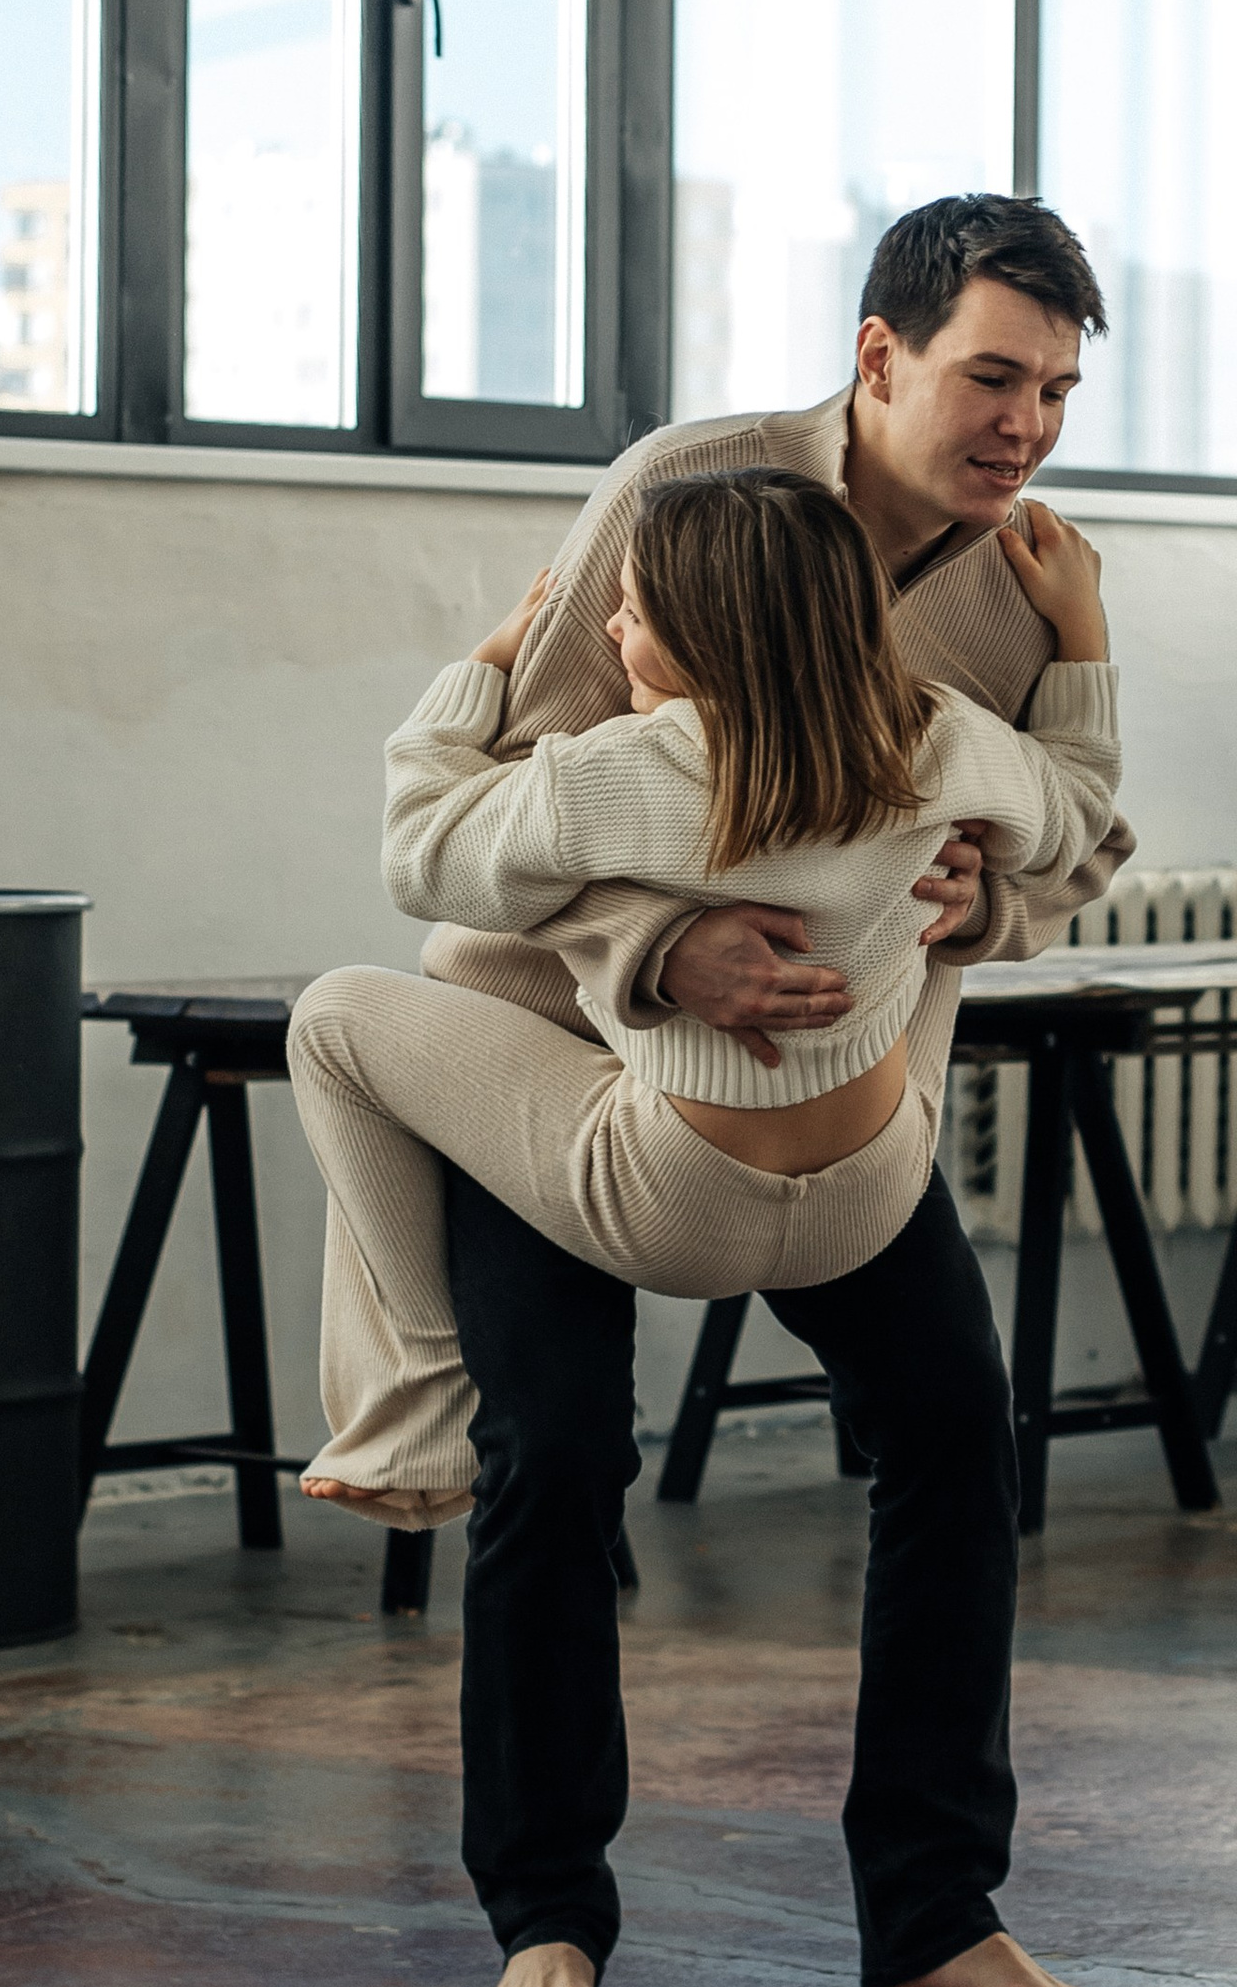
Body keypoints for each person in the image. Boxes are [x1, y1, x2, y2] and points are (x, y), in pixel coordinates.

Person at [415, 195, 1131, 1987]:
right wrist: (666, 951)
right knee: (558, 1448)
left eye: (1057, 389)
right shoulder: (689, 494)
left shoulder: (1027, 574)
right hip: (559, 1043)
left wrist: (993, 915)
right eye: (991, 377)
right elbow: (511, 803)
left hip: (833, 1097)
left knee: (957, 1432)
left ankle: (934, 1915)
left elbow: (1066, 845)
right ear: (879, 355)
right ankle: (547, 1921)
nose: (1024, 428)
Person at [288, 465, 1120, 1532]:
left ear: (704, 636)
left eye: (634, 610)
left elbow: (419, 856)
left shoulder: (613, 771)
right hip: (874, 1200)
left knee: (333, 1016)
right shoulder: (946, 741)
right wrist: (1082, 633)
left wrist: (480, 670)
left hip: (668, 1209)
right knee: (915, 955)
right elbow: (1082, 804)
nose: (611, 629)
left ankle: (420, 1399)